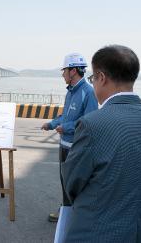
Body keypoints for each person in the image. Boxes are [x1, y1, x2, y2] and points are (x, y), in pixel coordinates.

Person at [61, 45, 141, 242]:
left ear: (102, 77)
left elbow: (72, 183)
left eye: (93, 79)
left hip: (93, 231)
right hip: (137, 232)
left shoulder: (92, 124)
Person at [41, 53, 98, 222]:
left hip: (77, 147)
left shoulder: (88, 92)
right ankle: (67, 212)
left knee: (75, 184)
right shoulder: (71, 92)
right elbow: (66, 116)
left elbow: (88, 121)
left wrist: (65, 127)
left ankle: (75, 216)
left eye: (64, 70)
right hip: (64, 145)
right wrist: (51, 124)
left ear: (73, 71)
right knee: (65, 182)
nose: (63, 74)